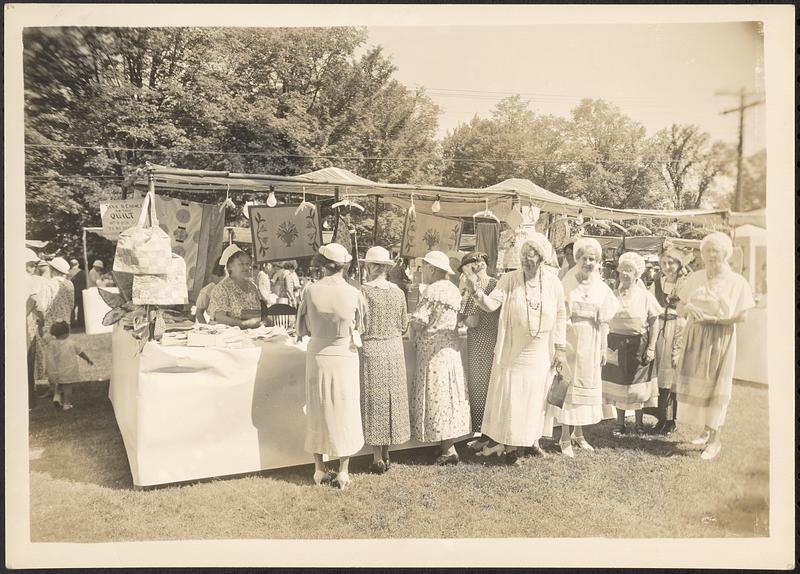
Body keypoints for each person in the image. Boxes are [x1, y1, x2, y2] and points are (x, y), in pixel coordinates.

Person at [465, 236, 568, 463]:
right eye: (523, 256)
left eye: (530, 257)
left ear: (541, 258)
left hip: (541, 351)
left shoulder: (553, 283)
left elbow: (561, 315)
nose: (525, 261)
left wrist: (560, 348)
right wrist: (476, 293)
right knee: (514, 397)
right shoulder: (509, 279)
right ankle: (511, 447)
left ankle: (532, 441)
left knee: (535, 397)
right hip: (513, 351)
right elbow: (491, 304)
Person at [674, 232, 754, 460]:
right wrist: (689, 309)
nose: (710, 255)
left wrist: (715, 321)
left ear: (725, 254)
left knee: (716, 388)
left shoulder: (736, 282)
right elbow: (680, 307)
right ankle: (705, 430)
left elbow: (742, 316)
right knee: (700, 386)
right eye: (707, 250)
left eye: (715, 251)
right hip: (695, 338)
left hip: (720, 338)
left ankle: (715, 440)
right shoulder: (697, 277)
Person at [296, 243, 366, 488]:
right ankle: (343, 471)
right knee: (344, 409)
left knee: (317, 407)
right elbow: (361, 327)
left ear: (322, 264)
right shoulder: (354, 292)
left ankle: (319, 469)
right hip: (344, 353)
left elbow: (302, 326)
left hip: (318, 353)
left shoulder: (310, 290)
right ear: (345, 266)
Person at [548, 237, 618, 457]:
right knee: (570, 387)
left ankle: (579, 434)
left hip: (593, 340)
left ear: (598, 262)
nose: (589, 262)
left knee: (586, 387)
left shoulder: (602, 288)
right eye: (585, 258)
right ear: (577, 259)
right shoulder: (567, 283)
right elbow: (560, 315)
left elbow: (605, 321)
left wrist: (603, 347)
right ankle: (565, 437)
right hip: (572, 340)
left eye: (593, 259)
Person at [409, 250, 471, 465]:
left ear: (432, 269)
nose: (422, 270)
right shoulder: (454, 290)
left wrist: (410, 326)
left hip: (432, 350)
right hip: (450, 349)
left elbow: (419, 320)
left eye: (424, 266)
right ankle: (448, 444)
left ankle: (448, 448)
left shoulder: (431, 291)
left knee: (436, 394)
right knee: (449, 396)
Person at [357, 246, 410, 474]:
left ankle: (377, 455)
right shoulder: (398, 292)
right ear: (386, 268)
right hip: (394, 348)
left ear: (370, 267)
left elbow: (358, 324)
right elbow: (404, 324)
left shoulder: (363, 292)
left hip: (372, 348)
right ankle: (387, 451)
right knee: (391, 399)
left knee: (375, 401)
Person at [602, 252, 662, 436]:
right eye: (623, 270)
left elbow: (654, 321)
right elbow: (604, 319)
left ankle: (638, 424)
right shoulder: (612, 294)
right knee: (618, 384)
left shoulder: (645, 296)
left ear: (637, 274)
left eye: (629, 270)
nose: (625, 274)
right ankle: (620, 423)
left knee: (638, 387)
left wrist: (651, 347)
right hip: (615, 345)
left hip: (639, 345)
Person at [456, 251, 500, 452]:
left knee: (480, 387)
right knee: (488, 387)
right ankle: (486, 434)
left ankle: (486, 434)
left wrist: (461, 315)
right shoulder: (495, 282)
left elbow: (471, 319)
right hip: (491, 338)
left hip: (480, 339)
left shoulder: (478, 286)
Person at [647, 246, 688, 437]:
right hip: (659, 329)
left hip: (676, 329)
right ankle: (660, 418)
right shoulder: (657, 283)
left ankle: (671, 420)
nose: (667, 266)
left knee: (672, 375)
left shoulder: (685, 284)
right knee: (659, 375)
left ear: (679, 264)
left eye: (671, 263)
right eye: (664, 263)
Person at [36, 257, 76, 392]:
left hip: (51, 324)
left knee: (51, 358)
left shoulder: (49, 284)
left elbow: (42, 305)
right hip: (65, 323)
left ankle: (54, 388)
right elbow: (71, 304)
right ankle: (62, 386)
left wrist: (41, 322)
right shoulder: (70, 284)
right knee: (62, 356)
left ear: (53, 270)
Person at [207, 248, 262, 329]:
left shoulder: (252, 287)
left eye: (248, 264)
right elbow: (220, 318)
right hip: (228, 335)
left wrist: (261, 319)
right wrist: (243, 324)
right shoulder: (222, 288)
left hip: (252, 333)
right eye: (241, 264)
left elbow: (254, 312)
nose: (246, 267)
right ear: (230, 267)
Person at [46, 321, 93, 410]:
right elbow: (80, 352)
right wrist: (88, 359)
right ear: (67, 332)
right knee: (68, 387)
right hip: (69, 369)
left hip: (57, 369)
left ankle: (56, 398)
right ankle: (67, 404)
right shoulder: (71, 343)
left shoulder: (52, 344)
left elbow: (49, 357)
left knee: (59, 384)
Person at [26, 248, 45, 408]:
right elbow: (35, 301)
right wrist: (43, 318)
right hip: (26, 326)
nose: (33, 268)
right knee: (27, 362)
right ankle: (29, 400)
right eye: (31, 264)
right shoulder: (30, 281)